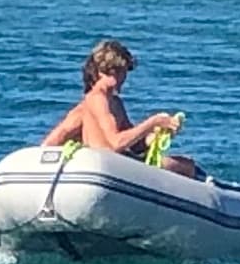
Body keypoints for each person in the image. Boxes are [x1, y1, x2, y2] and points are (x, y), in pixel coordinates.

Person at [43, 39, 202, 178]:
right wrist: (152, 122)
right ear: (100, 72)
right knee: (185, 167)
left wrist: (157, 135)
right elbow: (115, 143)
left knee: (185, 163)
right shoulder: (97, 99)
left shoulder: (114, 102)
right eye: (114, 72)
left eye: (121, 72)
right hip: (111, 167)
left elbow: (134, 144)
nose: (119, 79)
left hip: (121, 164)